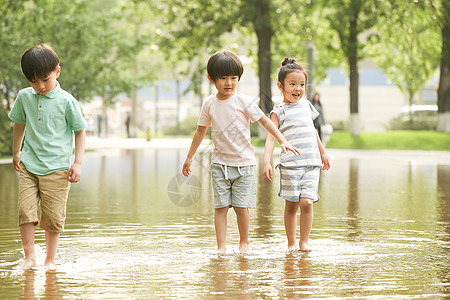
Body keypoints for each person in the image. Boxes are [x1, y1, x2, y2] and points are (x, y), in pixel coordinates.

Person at [182, 50, 300, 254]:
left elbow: (264, 121)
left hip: (245, 164)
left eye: (234, 78)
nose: (229, 83)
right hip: (220, 164)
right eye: (223, 78)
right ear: (211, 78)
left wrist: (282, 140)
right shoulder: (209, 103)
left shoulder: (243, 101)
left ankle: (244, 242)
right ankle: (221, 246)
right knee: (220, 207)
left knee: (240, 207)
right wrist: (189, 157)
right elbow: (201, 131)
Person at [8, 43, 87, 270]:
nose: (40, 86)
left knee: (52, 217)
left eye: (45, 79)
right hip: (29, 165)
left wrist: (78, 162)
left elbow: (79, 131)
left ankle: (50, 260)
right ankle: (29, 257)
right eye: (34, 81)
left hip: (57, 168)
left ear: (57, 72)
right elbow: (19, 124)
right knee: (25, 210)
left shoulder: (67, 101)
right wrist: (16, 152)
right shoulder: (24, 97)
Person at [263, 58, 331, 252]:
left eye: (301, 85)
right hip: (290, 165)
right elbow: (270, 138)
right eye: (292, 84)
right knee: (292, 205)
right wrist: (266, 162)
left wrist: (323, 153)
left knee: (307, 202)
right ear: (280, 86)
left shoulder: (307, 106)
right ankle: (292, 242)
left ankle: (304, 241)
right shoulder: (279, 111)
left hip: (311, 163)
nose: (297, 89)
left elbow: (313, 132)